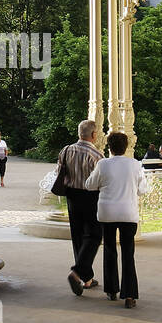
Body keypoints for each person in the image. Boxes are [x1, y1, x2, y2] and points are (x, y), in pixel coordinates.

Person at [84, 132, 151, 308]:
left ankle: (112, 290)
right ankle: (129, 295)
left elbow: (89, 184)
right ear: (126, 146)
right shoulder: (135, 164)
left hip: (107, 213)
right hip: (128, 213)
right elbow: (143, 189)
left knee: (110, 249)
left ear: (109, 147)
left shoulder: (103, 164)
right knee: (128, 253)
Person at [59, 120, 104, 296]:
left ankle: (86, 278)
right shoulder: (96, 155)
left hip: (71, 195)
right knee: (94, 235)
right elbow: (100, 181)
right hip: (90, 196)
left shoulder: (66, 150)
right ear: (93, 135)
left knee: (78, 236)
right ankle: (77, 272)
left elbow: (59, 173)